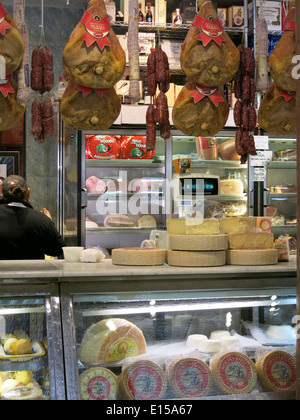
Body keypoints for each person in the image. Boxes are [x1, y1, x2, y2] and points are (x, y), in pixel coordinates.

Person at [0, 175, 64, 260]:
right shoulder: (41, 220)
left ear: (2, 195)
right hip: (33, 272)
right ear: (28, 193)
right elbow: (57, 250)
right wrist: (49, 222)